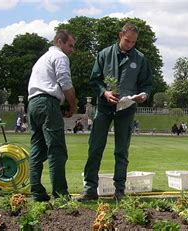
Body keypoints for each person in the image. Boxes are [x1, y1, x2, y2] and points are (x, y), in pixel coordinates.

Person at [77, 23, 152, 201]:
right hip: (104, 107)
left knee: (121, 151)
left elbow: (147, 84)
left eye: (133, 42)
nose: (130, 45)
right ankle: (90, 189)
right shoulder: (104, 54)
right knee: (95, 147)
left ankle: (119, 190)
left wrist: (144, 95)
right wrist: (104, 92)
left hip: (126, 109)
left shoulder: (140, 59)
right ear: (120, 35)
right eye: (127, 41)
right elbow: (95, 80)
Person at [27, 30, 77, 202]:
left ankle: (37, 193)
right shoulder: (60, 57)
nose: (71, 50)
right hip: (48, 103)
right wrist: (73, 105)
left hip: (33, 103)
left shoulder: (41, 60)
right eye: (70, 45)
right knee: (56, 150)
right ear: (59, 42)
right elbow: (65, 83)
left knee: (36, 149)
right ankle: (60, 194)